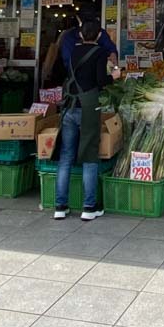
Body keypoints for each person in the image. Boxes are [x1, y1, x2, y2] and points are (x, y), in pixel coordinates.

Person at [53, 17, 116, 221]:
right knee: (90, 155)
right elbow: (100, 80)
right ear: (99, 35)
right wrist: (113, 77)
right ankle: (89, 207)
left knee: (66, 155)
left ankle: (60, 206)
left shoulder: (72, 52)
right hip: (87, 108)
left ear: (80, 34)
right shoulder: (100, 52)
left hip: (69, 107)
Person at [42, 9, 116, 86]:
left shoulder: (71, 41)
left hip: (77, 84)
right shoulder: (101, 50)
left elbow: (68, 62)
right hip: (87, 84)